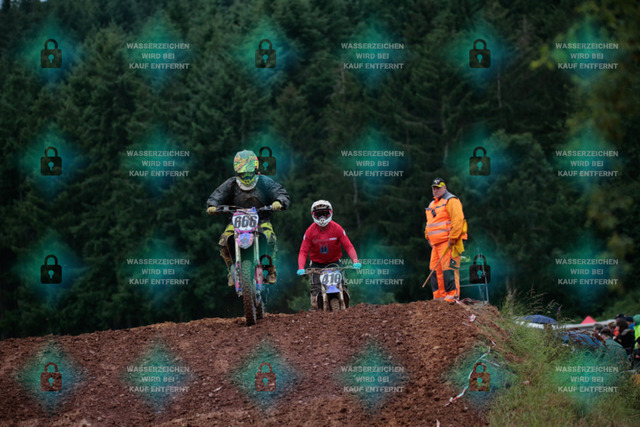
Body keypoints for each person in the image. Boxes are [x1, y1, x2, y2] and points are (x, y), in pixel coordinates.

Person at [206, 150, 290, 286]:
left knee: (270, 238)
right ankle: (231, 269)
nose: (246, 176)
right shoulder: (231, 183)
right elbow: (217, 195)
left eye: (249, 173)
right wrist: (212, 205)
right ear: (237, 172)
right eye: (242, 173)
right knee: (224, 240)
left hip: (261, 220)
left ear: (255, 170)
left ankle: (270, 268)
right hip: (236, 221)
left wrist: (279, 201)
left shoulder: (263, 182)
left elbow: (279, 191)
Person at [296, 200, 361, 311]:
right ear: (313, 215)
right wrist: (301, 267)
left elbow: (348, 246)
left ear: (330, 213)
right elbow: (303, 251)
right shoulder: (310, 232)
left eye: (325, 213)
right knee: (316, 292)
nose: (322, 218)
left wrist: (355, 261)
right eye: (318, 214)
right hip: (317, 265)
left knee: (343, 288)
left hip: (335, 263)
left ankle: (347, 312)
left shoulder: (337, 228)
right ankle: (315, 313)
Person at [424, 178, 467, 301]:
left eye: (438, 188)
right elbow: (429, 223)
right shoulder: (432, 204)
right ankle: (439, 298)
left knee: (449, 270)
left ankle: (452, 297)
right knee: (435, 271)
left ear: (444, 188)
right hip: (435, 245)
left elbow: (457, 221)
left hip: (448, 243)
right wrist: (428, 237)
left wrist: (452, 239)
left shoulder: (451, 200)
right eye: (434, 188)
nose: (435, 190)